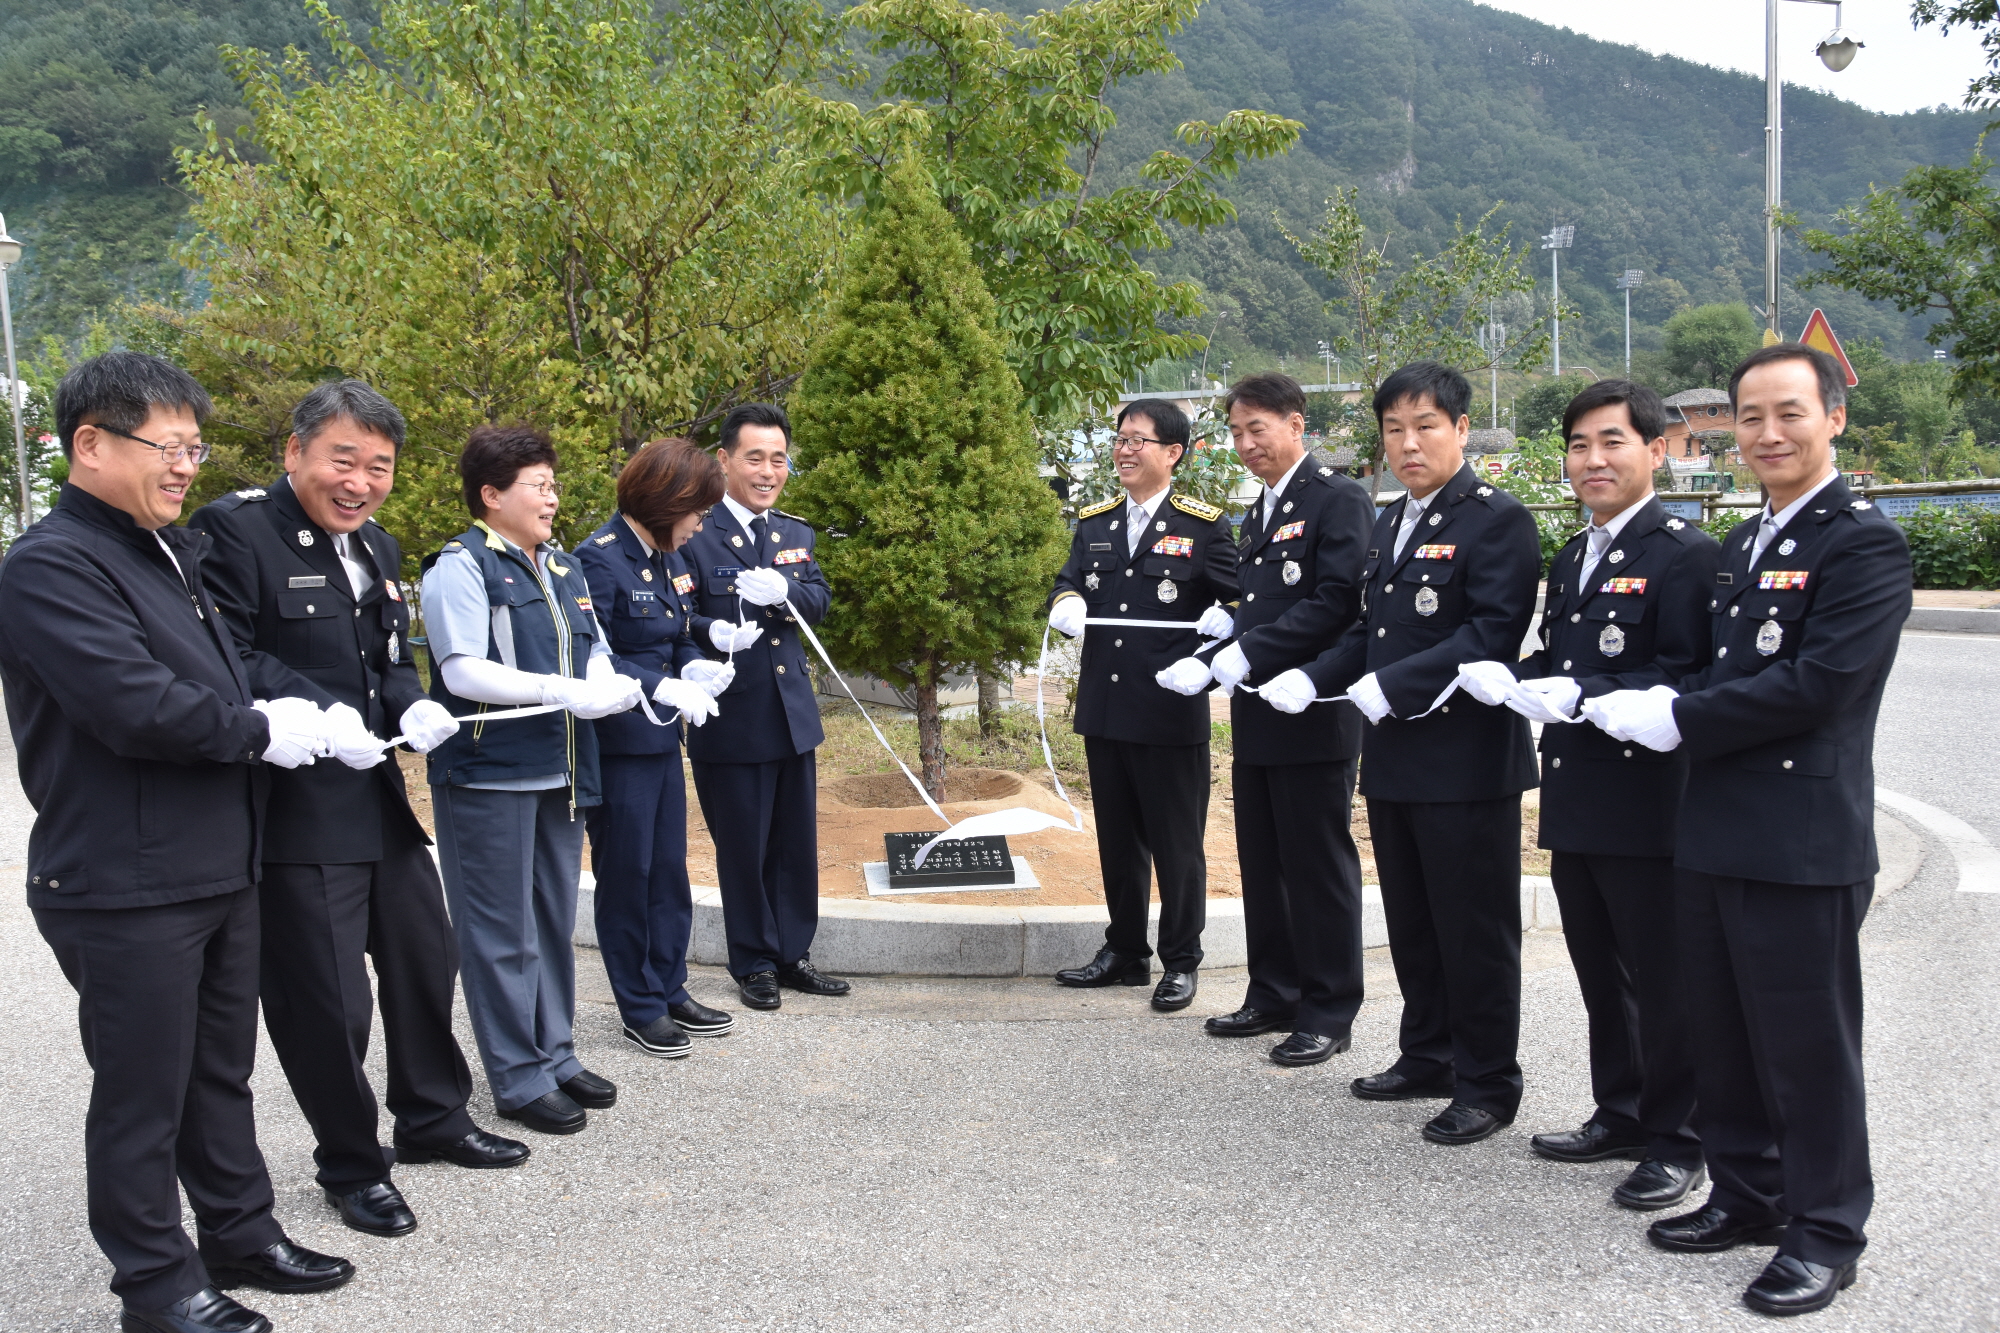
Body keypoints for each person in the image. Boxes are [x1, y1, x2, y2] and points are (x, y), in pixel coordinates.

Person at [0, 352, 355, 1333]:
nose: (186, 467)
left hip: (214, 861)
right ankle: (156, 1285)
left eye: (195, 448)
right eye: (168, 446)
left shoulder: (164, 550)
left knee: (216, 1074)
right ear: (90, 443)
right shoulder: (51, 565)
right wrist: (259, 730)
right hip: (124, 875)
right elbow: (133, 703)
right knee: (142, 1093)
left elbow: (229, 664)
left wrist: (315, 709)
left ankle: (240, 1233)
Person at [1583, 345, 1909, 1317]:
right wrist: (1633, 696)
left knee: (1806, 1050)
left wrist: (1678, 715)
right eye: (1748, 416)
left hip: (1799, 837)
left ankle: (1824, 1232)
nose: (1766, 434)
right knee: (1720, 1034)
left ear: (1833, 418)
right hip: (1713, 823)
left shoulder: (1861, 544)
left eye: (1788, 413)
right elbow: (1721, 673)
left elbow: (1819, 685)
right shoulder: (1744, 541)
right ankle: (1746, 1194)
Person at [188, 381, 530, 1243]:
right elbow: (226, 650)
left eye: (378, 466)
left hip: (376, 796)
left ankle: (432, 1116)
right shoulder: (235, 531)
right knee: (328, 1002)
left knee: (426, 959)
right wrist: (321, 709)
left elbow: (389, 659)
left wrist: (414, 703)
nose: (360, 482)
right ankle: (350, 1162)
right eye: (343, 459)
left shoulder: (378, 543)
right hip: (297, 811)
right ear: (294, 451)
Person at [1460, 380, 1716, 1210]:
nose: (1593, 459)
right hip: (1577, 795)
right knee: (1603, 971)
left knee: (1665, 978)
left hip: (1649, 801)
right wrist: (1516, 678)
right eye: (1579, 444)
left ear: (1655, 450)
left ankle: (1681, 1139)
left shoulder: (1685, 553)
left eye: (1612, 441)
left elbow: (1686, 674)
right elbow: (1560, 661)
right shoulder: (1576, 554)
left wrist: (1583, 692)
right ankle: (1623, 1109)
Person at [1304, 360, 1541, 1145]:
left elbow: (1490, 633)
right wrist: (1312, 678)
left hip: (1466, 763)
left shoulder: (1497, 520)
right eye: (1394, 429)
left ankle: (1487, 1081)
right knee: (1414, 921)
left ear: (1462, 429)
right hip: (1396, 756)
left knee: (1474, 930)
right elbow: (1367, 632)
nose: (1408, 444)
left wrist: (1395, 683)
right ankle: (1428, 1053)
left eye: (1425, 426)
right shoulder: (1391, 521)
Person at [419, 424, 643, 1136]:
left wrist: (605, 682)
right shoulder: (462, 564)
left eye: (553, 484)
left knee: (550, 919)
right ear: (491, 495)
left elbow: (593, 649)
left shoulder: (564, 567)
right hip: (491, 771)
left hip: (563, 765)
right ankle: (518, 1076)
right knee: (500, 929)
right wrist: (558, 688)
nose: (552, 498)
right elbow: (462, 669)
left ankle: (556, 1053)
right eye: (538, 486)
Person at [1166, 372, 1375, 1063]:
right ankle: (1273, 991)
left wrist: (1247, 650)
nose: (1246, 443)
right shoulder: (1260, 510)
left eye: (1257, 428)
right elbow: (1257, 605)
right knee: (1263, 862)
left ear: (1295, 425)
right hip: (1257, 712)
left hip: (1312, 709)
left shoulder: (1337, 499)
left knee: (1317, 867)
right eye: (1235, 432)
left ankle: (1329, 1010)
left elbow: (1337, 600)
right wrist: (1222, 638)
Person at [1045, 398, 1237, 1011]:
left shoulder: (1203, 527)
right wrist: (1067, 601)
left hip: (1167, 711)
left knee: (1177, 845)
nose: (1125, 450)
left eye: (1138, 440)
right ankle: (1125, 950)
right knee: (1118, 841)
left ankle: (1181, 960)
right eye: (1120, 439)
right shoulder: (1096, 523)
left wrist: (1218, 638)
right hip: (1106, 707)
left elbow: (1240, 605)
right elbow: (1067, 580)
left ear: (1173, 452)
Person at [678, 403, 848, 1011]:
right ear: (724, 461)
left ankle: (792, 954)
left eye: (779, 459)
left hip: (791, 714)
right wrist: (713, 634)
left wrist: (785, 593)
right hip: (731, 715)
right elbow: (678, 616)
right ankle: (753, 961)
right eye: (755, 458)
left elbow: (819, 600)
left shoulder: (793, 533)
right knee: (744, 848)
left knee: (794, 844)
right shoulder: (694, 532)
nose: (768, 471)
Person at [577, 437, 735, 1057]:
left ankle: (670, 987)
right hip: (620, 743)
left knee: (668, 870)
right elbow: (594, 655)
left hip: (664, 737)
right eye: (697, 511)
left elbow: (677, 629)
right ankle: (639, 1005)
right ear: (667, 501)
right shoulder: (599, 558)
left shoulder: (666, 554)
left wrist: (694, 664)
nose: (700, 525)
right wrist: (663, 684)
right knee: (628, 874)